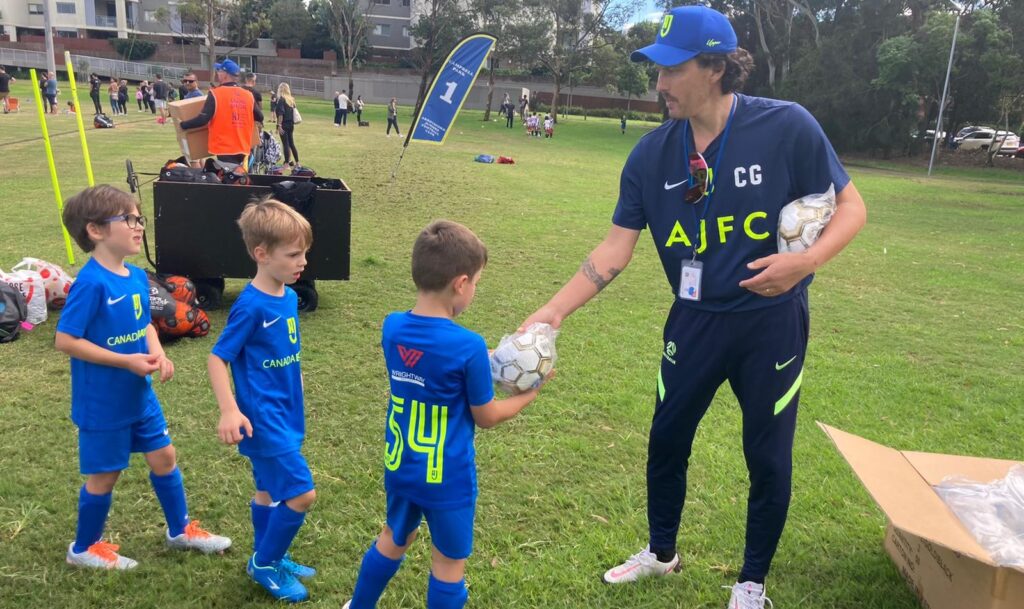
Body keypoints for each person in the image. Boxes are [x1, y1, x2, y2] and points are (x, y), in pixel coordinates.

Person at [519, 6, 866, 609]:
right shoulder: (652, 156)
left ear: (714, 67)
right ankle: (661, 553)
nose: (658, 85)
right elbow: (614, 249)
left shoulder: (787, 127)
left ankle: (751, 582)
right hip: (694, 321)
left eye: (671, 70)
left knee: (766, 452)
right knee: (666, 437)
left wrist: (803, 263)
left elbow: (852, 209)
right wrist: (552, 312)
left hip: (771, 326)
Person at [340, 220, 552, 609]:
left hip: (401, 464)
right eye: (476, 284)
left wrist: (481, 363)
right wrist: (529, 394)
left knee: (393, 537)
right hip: (446, 476)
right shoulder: (468, 345)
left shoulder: (393, 327)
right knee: (449, 563)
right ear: (461, 283)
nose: (474, 291)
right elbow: (486, 415)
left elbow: (427, 366)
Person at [55, 184, 232, 570]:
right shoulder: (90, 283)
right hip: (103, 401)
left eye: (140, 219)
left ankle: (180, 530)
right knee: (106, 475)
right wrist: (126, 362)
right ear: (96, 230)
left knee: (165, 456)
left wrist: (156, 351)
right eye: (129, 219)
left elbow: (144, 324)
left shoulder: (135, 276)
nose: (139, 227)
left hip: (139, 395)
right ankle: (83, 548)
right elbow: (65, 340)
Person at [208, 199, 316, 603]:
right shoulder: (251, 306)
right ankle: (265, 563)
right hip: (262, 418)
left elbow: (285, 351)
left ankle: (271, 553)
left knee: (267, 492)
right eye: (293, 254)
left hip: (288, 411)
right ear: (261, 254)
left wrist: (298, 384)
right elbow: (219, 357)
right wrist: (229, 409)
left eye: (304, 251)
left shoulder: (286, 296)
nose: (302, 260)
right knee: (302, 494)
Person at [179, 59, 263, 165]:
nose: (217, 73)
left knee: (229, 178)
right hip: (243, 145)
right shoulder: (248, 95)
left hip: (225, 147)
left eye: (219, 70)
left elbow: (203, 119)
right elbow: (260, 116)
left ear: (225, 75)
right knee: (238, 177)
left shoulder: (216, 94)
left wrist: (182, 125)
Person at [274, 83, 300, 166]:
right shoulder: (291, 100)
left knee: (285, 144)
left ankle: (286, 163)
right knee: (291, 144)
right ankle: (297, 162)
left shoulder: (282, 99)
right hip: (291, 124)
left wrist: (279, 125)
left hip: (284, 124)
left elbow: (281, 114)